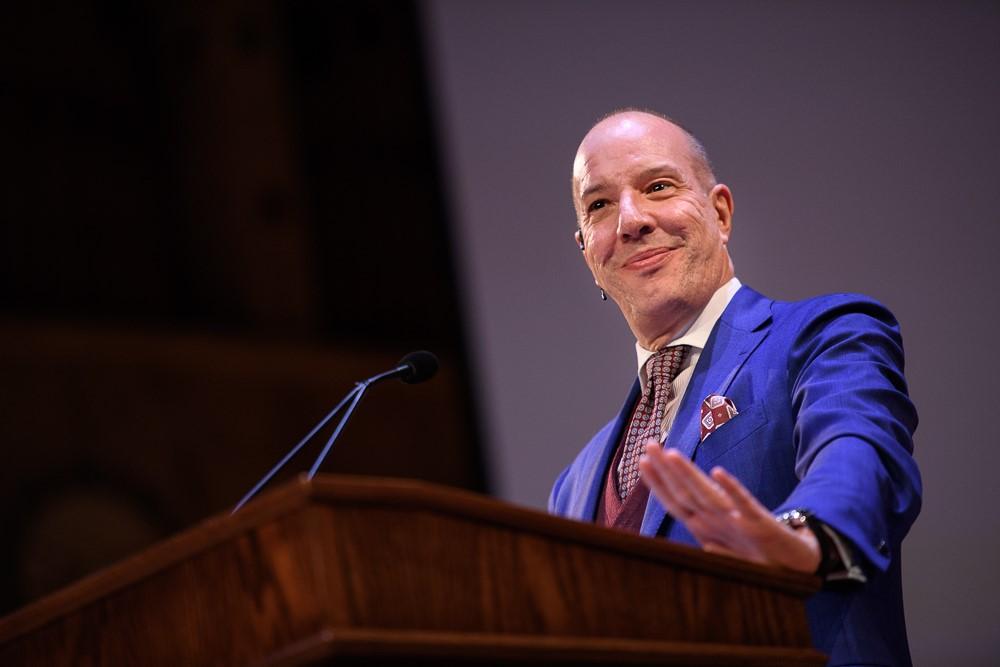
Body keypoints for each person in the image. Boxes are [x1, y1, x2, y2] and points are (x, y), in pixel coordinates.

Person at [548, 109, 922, 666]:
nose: (630, 219)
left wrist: (803, 538)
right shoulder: (572, 487)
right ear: (588, 253)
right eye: (599, 205)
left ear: (720, 212)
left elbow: (858, 453)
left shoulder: (822, 337)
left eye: (658, 187)